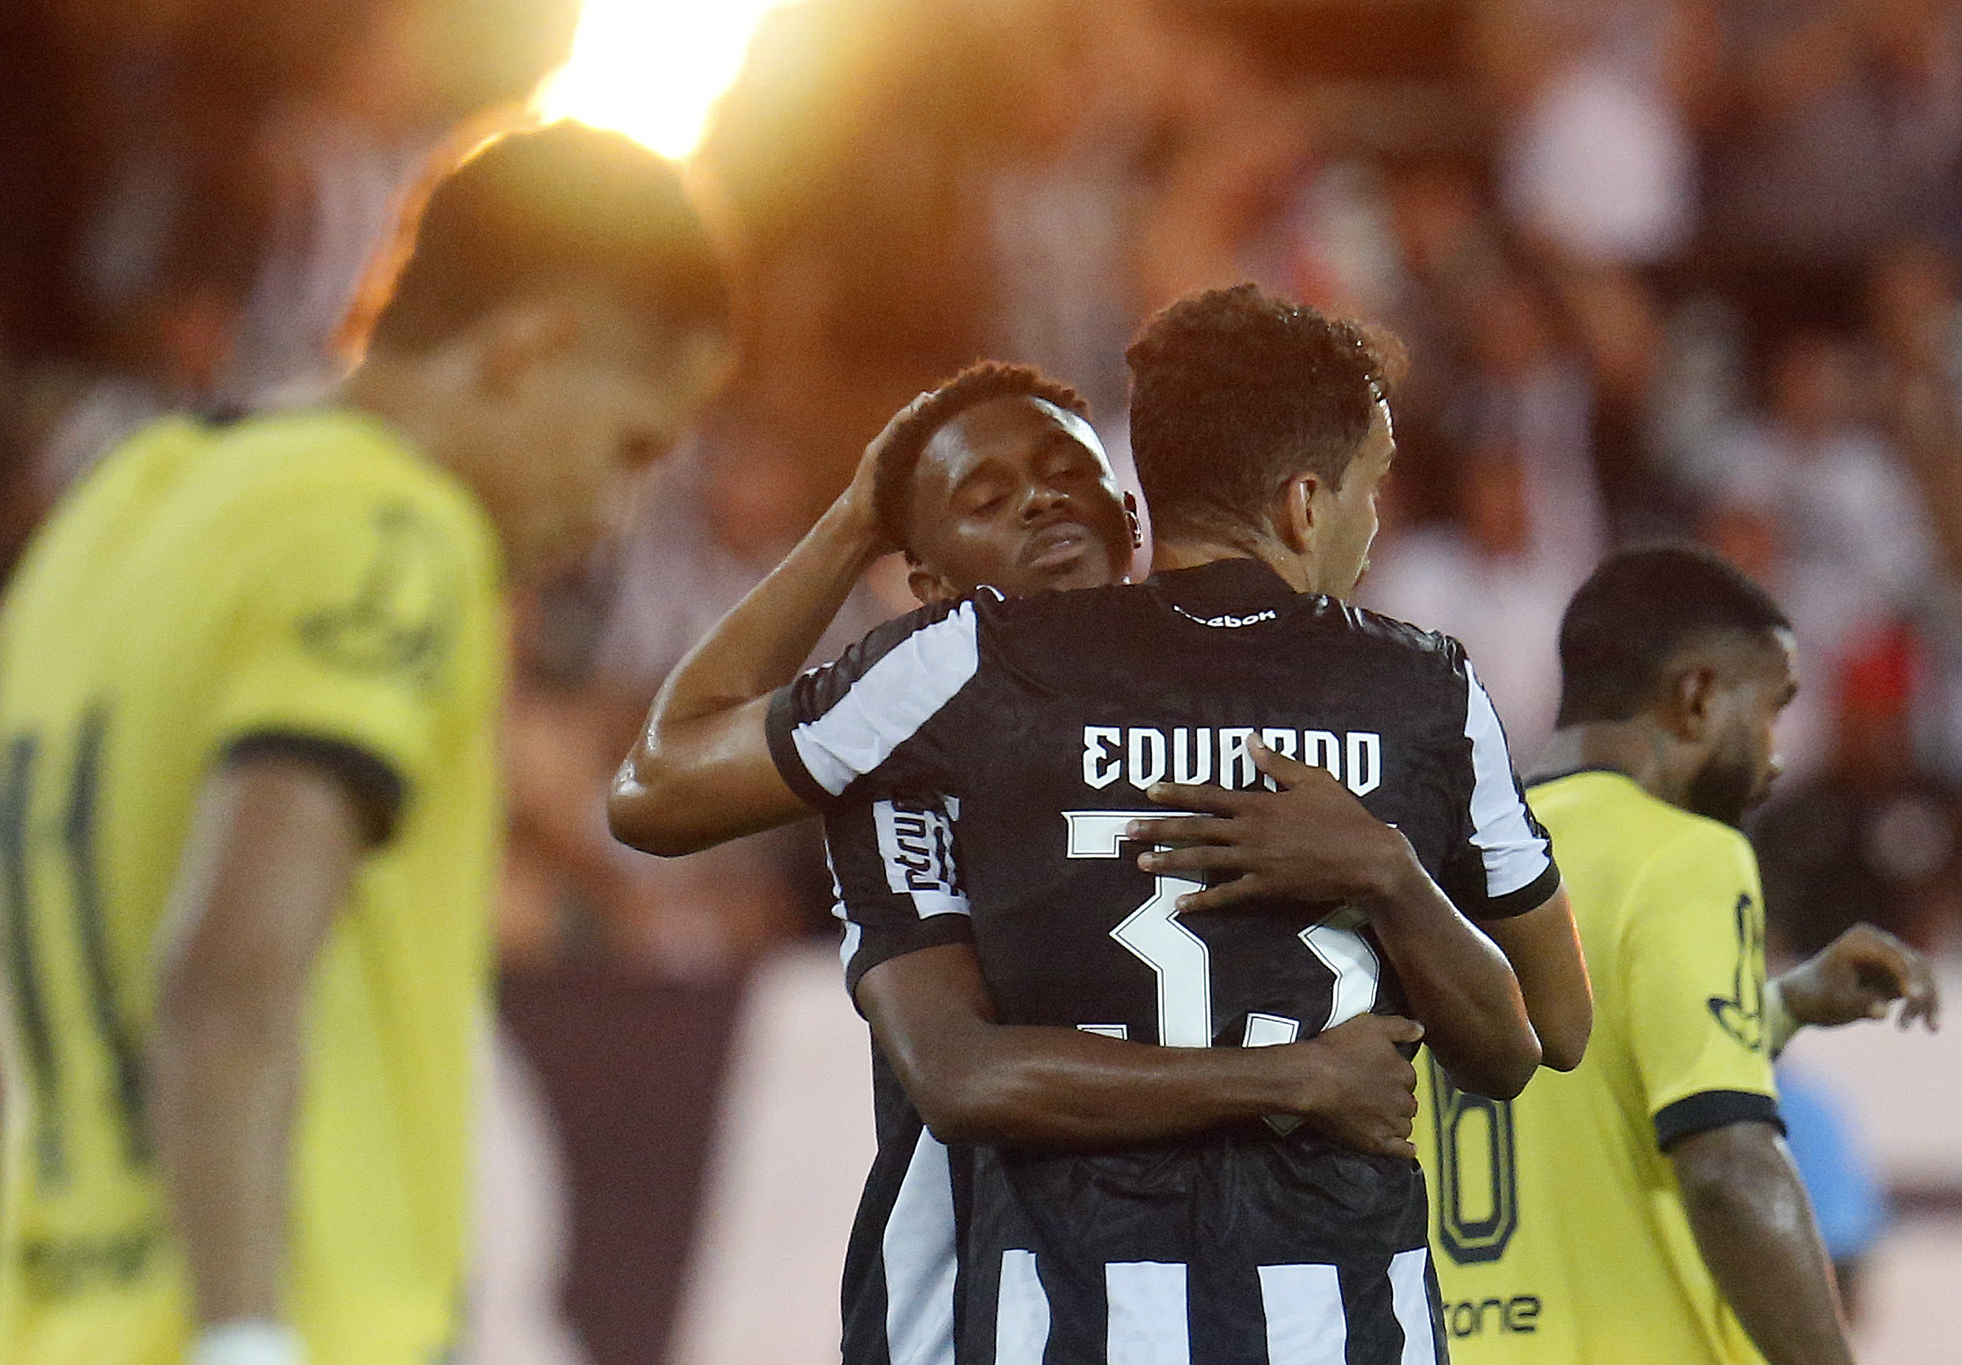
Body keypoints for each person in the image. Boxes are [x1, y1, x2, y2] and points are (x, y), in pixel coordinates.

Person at [617, 286, 1584, 1361]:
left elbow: (1534, 1038)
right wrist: (855, 516)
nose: (1039, 505)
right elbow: (959, 1074)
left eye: (1066, 476)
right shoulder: (919, 719)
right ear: (924, 579)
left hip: (1136, 1290)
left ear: (1133, 515)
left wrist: (1386, 875)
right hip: (985, 1291)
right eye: (987, 496)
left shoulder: (997, 678)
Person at [0, 119, 730, 1365]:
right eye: (632, 442)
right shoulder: (396, 536)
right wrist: (247, 1340)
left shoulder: (117, 508)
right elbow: (230, 979)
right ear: (533, 348)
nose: (614, 507)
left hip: (48, 1323)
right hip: (301, 1322)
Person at [1419, 546, 1941, 1365]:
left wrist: (1786, 1003)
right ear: (1696, 698)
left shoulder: (1443, 867)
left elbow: (1585, 1088)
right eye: (1771, 709)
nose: (1774, 755)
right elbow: (1728, 1169)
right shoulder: (1685, 854)